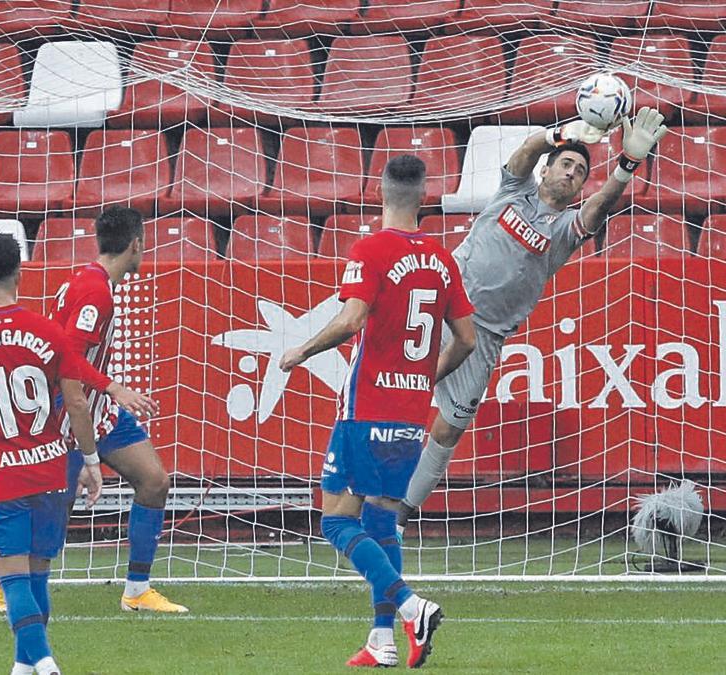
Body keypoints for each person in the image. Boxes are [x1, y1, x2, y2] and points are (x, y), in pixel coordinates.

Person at [399, 109, 669, 529]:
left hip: (484, 335)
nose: (572, 174)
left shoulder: (564, 229)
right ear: (547, 170)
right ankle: (360, 495)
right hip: (437, 305)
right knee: (393, 395)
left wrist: (626, 165)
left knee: (448, 430)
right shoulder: (513, 190)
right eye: (566, 164)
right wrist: (562, 135)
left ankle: (400, 515)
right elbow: (526, 150)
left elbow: (599, 207)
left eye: (580, 171)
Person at [279, 155, 477, 668]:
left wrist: (301, 350)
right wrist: (424, 377)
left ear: (379, 192)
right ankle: (382, 638)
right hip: (411, 413)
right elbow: (469, 340)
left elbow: (350, 321)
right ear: (424, 196)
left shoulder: (370, 249)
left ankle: (412, 606)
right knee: (382, 520)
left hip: (366, 408)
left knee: (337, 524)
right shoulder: (442, 259)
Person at [0, 207, 182, 614]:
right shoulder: (95, 291)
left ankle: (137, 590)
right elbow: (67, 357)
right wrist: (115, 386)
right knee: (49, 515)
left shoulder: (94, 283)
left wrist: (107, 393)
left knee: (154, 481)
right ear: (136, 244)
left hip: (98, 410)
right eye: (144, 245)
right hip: (67, 413)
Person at [0, 232, 104, 675]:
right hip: (51, 469)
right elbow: (77, 402)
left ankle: (46, 664)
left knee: (12, 579)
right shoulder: (50, 332)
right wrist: (89, 461)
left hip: (1, 475)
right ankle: (23, 667)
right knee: (38, 574)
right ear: (20, 274)